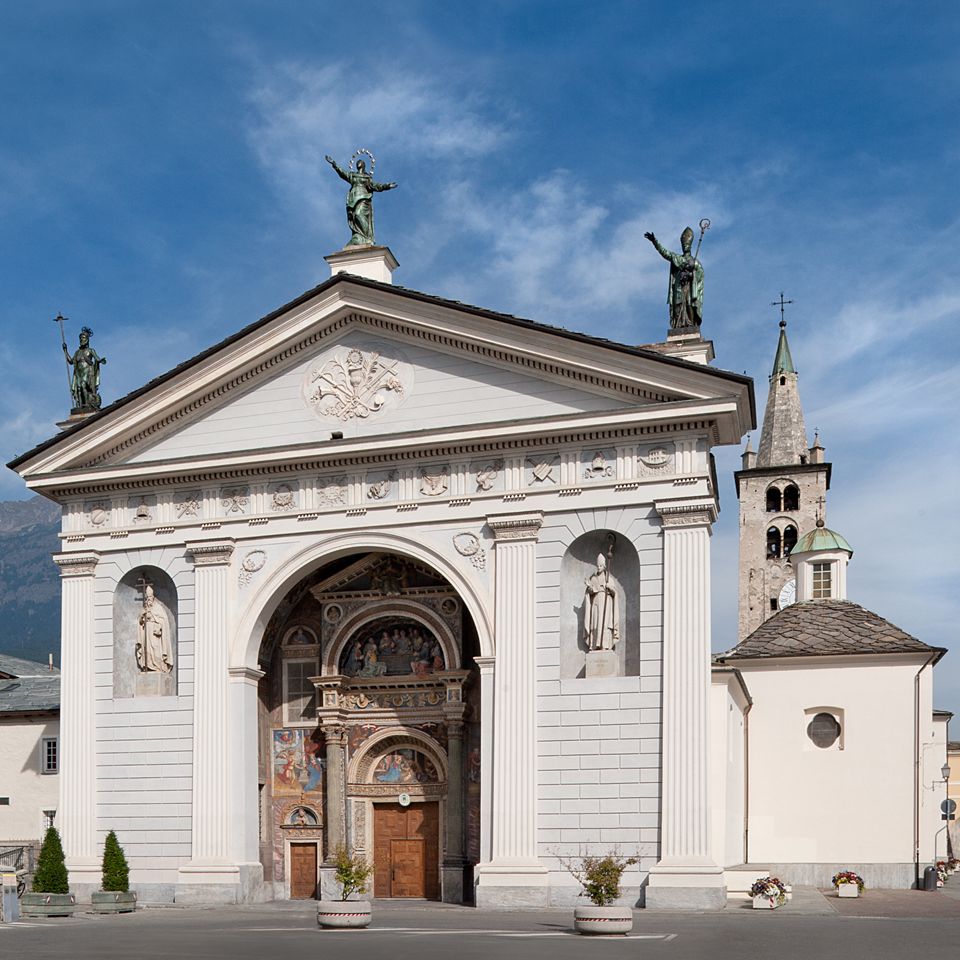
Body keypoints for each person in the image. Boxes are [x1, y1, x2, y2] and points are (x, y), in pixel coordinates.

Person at [325, 154, 398, 246]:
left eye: (360, 162)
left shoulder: (367, 178)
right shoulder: (353, 176)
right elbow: (342, 173)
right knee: (355, 216)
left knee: (359, 214)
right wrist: (334, 164)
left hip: (363, 198)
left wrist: (387, 186)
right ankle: (357, 236)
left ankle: (365, 237)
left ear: (363, 165)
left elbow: (376, 186)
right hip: (353, 198)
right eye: (357, 162)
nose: (358, 163)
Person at [644, 228, 704, 329]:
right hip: (678, 288)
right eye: (683, 245)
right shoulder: (677, 258)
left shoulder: (695, 262)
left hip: (689, 289)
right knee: (677, 306)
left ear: (690, 246)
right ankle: (678, 326)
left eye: (687, 245)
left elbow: (700, 275)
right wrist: (655, 242)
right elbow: (665, 253)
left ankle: (691, 325)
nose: (685, 247)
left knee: (689, 306)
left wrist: (692, 274)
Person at [63, 326, 107, 410]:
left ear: (87, 339)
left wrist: (101, 360)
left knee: (83, 385)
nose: (81, 340)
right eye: (80, 338)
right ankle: (80, 405)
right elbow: (71, 361)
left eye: (83, 338)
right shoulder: (77, 352)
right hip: (79, 373)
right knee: (78, 388)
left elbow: (97, 358)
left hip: (88, 373)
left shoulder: (91, 350)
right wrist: (65, 350)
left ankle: (87, 404)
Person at [583, 554, 619, 651]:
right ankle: (595, 645)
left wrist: (609, 587)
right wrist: (590, 588)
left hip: (606, 603)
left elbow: (615, 593)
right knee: (595, 624)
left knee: (604, 624)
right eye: (597, 566)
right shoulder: (593, 578)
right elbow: (589, 593)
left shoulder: (609, 579)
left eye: (600, 566)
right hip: (595, 603)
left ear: (604, 567)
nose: (598, 567)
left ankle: (604, 645)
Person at [137, 584, 173, 673]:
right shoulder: (144, 609)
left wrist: (154, 618)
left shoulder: (158, 608)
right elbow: (140, 622)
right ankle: (148, 666)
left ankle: (158, 666)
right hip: (146, 631)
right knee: (147, 650)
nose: (148, 600)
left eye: (150, 598)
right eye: (147, 599)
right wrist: (143, 616)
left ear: (153, 598)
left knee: (156, 649)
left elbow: (163, 620)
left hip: (154, 633)